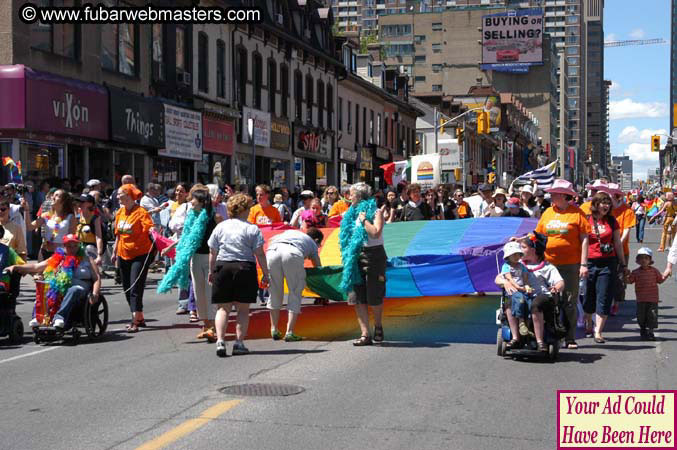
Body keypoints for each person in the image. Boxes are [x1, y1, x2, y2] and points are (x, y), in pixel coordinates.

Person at [208, 193, 270, 357]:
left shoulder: (220, 227)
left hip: (223, 266)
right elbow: (259, 253)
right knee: (243, 309)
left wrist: (211, 270)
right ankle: (239, 343)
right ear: (244, 209)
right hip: (244, 267)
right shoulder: (251, 228)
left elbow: (213, 252)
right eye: (249, 208)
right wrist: (265, 272)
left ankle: (220, 341)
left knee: (223, 308)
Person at [534, 179, 590, 349]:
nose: (551, 196)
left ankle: (570, 337)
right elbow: (538, 235)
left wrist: (583, 264)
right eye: (551, 193)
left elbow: (585, 239)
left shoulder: (577, 214)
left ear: (564, 196)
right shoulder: (547, 213)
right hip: (548, 265)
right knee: (549, 299)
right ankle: (550, 334)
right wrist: (521, 241)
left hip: (570, 265)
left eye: (555, 193)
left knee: (569, 301)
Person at [159, 189, 220, 343]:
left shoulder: (213, 218)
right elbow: (187, 238)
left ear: (201, 201)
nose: (190, 202)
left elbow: (220, 239)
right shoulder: (191, 217)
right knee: (199, 293)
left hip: (210, 258)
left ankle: (213, 327)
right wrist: (170, 247)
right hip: (195, 259)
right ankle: (206, 325)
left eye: (193, 199)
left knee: (210, 292)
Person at [14, 234, 101, 329]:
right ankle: (39, 317)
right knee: (45, 287)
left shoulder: (87, 258)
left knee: (73, 290)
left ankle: (59, 317)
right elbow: (36, 267)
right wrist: (16, 267)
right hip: (61, 286)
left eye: (75, 246)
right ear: (64, 246)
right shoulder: (59, 257)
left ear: (79, 246)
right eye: (69, 246)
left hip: (81, 287)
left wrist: (95, 293)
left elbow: (96, 278)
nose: (72, 248)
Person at [496, 233, 564, 351]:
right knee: (510, 302)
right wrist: (505, 282)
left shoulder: (547, 267)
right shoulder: (516, 263)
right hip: (521, 294)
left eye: (523, 247)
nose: (519, 250)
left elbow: (560, 282)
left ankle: (540, 341)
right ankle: (516, 338)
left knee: (536, 304)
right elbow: (497, 278)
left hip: (541, 295)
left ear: (533, 249)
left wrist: (556, 287)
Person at [339, 182, 387, 346]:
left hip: (374, 255)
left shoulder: (376, 212)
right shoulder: (349, 214)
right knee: (357, 296)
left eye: (351, 194)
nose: (348, 196)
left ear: (359, 196)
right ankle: (365, 334)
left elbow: (375, 233)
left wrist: (364, 219)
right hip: (355, 256)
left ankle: (378, 326)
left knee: (374, 294)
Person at [582, 191, 627, 344]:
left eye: (608, 203)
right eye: (603, 202)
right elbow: (582, 243)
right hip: (589, 262)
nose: (606, 205)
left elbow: (618, 243)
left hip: (608, 262)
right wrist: (581, 264)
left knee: (605, 296)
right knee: (589, 295)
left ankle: (598, 331)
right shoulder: (586, 220)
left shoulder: (612, 221)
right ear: (595, 204)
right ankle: (588, 320)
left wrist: (622, 263)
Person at [266, 227, 323, 342]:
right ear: (316, 240)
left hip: (272, 252)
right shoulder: (312, 243)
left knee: (275, 292)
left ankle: (274, 329)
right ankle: (289, 332)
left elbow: (271, 240)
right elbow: (317, 265)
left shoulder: (292, 232)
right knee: (295, 292)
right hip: (292, 253)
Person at [112, 184, 155, 333]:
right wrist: (114, 251)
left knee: (135, 287)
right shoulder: (120, 212)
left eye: (120, 194)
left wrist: (153, 231)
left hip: (140, 254)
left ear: (129, 196)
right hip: (123, 254)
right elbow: (118, 234)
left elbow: (149, 227)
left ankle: (134, 321)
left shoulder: (141, 212)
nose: (117, 197)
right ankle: (140, 316)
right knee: (126, 288)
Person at [23, 188, 76, 260]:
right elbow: (30, 227)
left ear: (63, 201)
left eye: (57, 195)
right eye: (53, 195)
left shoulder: (70, 217)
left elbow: (71, 239)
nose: (53, 197)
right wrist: (26, 210)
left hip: (61, 254)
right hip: (45, 252)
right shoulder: (46, 215)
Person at [626, 247, 666, 341]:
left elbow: (660, 280)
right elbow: (629, 281)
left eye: (646, 258)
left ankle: (651, 332)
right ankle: (643, 329)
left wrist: (666, 274)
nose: (644, 260)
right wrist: (625, 276)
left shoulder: (654, 271)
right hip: (641, 299)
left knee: (652, 315)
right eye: (641, 258)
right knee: (641, 316)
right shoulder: (635, 272)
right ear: (638, 260)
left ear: (650, 260)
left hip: (653, 299)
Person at [609, 183, 635, 315]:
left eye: (610, 197)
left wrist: (617, 244)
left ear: (617, 197)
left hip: (621, 250)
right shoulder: (606, 210)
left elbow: (626, 231)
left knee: (619, 277)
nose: (607, 201)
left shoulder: (627, 211)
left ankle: (616, 303)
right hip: (606, 251)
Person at [499, 241, 533, 340]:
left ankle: (528, 325)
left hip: (522, 288)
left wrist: (527, 286)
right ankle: (521, 322)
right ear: (508, 256)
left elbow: (525, 278)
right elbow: (510, 279)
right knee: (520, 298)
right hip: (513, 289)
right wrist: (518, 287)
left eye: (517, 254)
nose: (515, 256)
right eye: (513, 254)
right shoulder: (506, 266)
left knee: (530, 302)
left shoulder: (522, 266)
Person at [168, 182, 193, 315]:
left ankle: (194, 303)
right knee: (182, 273)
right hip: (180, 244)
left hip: (194, 244)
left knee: (193, 274)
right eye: (177, 191)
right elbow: (172, 224)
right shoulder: (177, 206)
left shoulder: (192, 206)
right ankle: (183, 303)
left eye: (181, 191)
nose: (178, 193)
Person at [75, 194, 105, 266]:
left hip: (90, 249)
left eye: (83, 202)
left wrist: (99, 255)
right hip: (78, 248)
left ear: (90, 204)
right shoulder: (78, 216)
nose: (80, 204)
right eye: (80, 201)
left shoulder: (95, 218)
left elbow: (99, 237)